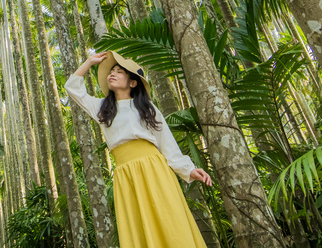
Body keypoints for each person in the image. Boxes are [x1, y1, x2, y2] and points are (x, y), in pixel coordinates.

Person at [65, 50, 212, 248]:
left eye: (119, 71)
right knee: (137, 228)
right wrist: (89, 62)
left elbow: (167, 144)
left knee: (169, 221)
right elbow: (73, 89)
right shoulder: (102, 109)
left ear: (133, 83)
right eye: (111, 72)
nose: (112, 74)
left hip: (155, 170)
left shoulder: (148, 109)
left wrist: (189, 169)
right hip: (126, 175)